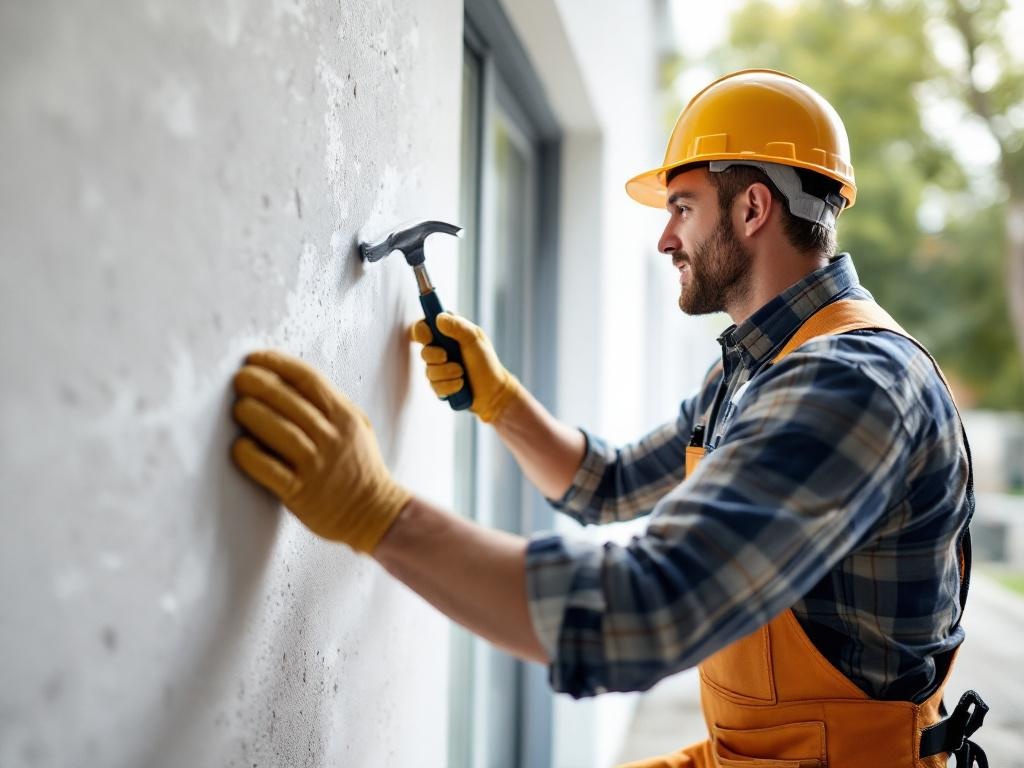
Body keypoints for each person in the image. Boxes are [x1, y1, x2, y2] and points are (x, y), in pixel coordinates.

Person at [230, 70, 988, 767]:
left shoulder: (847, 383)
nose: (665, 238)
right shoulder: (756, 366)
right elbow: (611, 484)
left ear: (753, 208)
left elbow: (646, 611)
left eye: (681, 207)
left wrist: (375, 514)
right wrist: (501, 400)